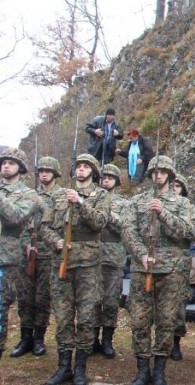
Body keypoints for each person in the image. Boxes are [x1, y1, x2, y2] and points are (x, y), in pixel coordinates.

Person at [122, 155, 195, 385]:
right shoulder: (136, 202)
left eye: (163, 172)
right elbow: (128, 231)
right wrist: (141, 254)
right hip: (142, 268)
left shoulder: (183, 204)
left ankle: (159, 370)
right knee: (139, 321)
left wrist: (164, 214)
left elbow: (194, 231)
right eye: (155, 172)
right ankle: (143, 367)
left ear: (170, 175)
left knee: (167, 321)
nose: (158, 175)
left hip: (173, 271)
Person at [39, 153, 110, 385]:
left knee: (87, 318)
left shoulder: (101, 195)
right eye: (78, 166)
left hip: (88, 266)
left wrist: (81, 203)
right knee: (63, 317)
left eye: (85, 167)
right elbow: (45, 227)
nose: (81, 170)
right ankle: (63, 367)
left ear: (93, 171)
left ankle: (80, 367)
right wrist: (56, 242)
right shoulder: (59, 196)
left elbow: (100, 222)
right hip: (62, 264)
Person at [13, 156, 57, 358]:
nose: (43, 174)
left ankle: (39, 338)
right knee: (25, 296)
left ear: (55, 173)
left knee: (42, 298)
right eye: (41, 171)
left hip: (48, 253)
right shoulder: (28, 194)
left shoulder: (61, 196)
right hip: (26, 251)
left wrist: (42, 205)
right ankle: (25, 337)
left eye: (48, 171)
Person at [0, 148, 40, 359]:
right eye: (3, 162)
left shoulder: (28, 195)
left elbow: (16, 217)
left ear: (20, 168)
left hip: (5, 259)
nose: (6, 165)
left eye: (11, 163)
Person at [95, 164, 129, 359]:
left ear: (116, 181)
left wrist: (107, 214)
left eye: (110, 177)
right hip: (91, 257)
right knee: (91, 301)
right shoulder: (91, 199)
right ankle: (91, 339)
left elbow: (125, 228)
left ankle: (107, 340)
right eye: (103, 176)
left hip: (113, 257)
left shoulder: (124, 204)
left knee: (110, 301)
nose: (106, 179)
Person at [169, 172, 195, 362]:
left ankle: (175, 342)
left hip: (179, 261)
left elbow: (194, 232)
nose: (174, 188)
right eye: (172, 185)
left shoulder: (188, 208)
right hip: (157, 262)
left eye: (178, 186)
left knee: (178, 304)